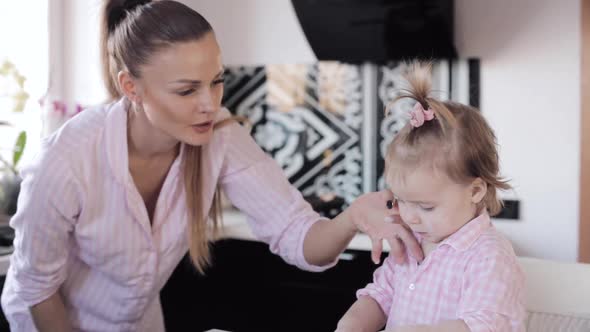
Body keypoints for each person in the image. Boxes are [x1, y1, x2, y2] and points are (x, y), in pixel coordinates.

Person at [0, 1, 424, 331]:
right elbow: (37, 289)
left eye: (216, 81)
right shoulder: (67, 159)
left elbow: (298, 237)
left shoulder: (220, 138)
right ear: (131, 86)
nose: (210, 104)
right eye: (187, 90)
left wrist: (353, 216)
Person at [336, 62, 526, 332]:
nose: (409, 216)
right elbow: (380, 297)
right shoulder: (412, 241)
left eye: (426, 206)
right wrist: (350, 324)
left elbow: (485, 326)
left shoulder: (488, 256)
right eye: (400, 200)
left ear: (475, 191)